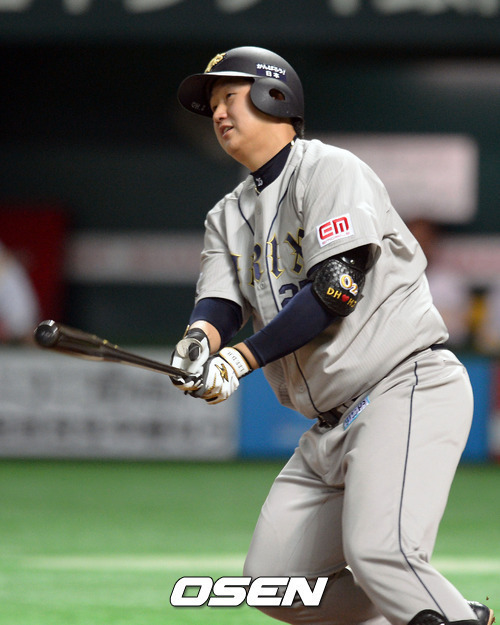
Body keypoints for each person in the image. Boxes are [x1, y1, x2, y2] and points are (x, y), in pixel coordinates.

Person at [172, 46, 494, 625]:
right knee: (274, 588)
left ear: (275, 97)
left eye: (230, 96)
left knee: (383, 554)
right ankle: (438, 614)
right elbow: (221, 302)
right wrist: (199, 342)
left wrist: (240, 360)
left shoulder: (330, 170)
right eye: (212, 104)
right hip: (329, 427)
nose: (218, 112)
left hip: (402, 387)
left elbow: (336, 290)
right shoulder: (227, 214)